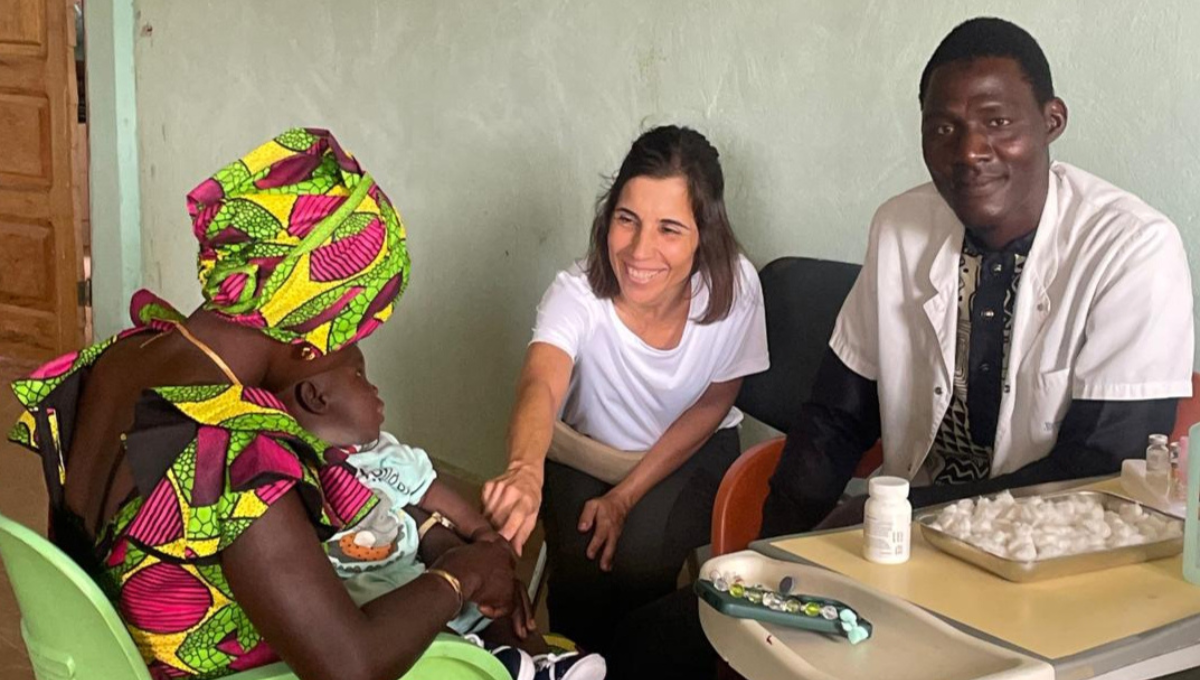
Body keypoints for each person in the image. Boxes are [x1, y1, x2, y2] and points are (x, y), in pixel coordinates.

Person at [9, 128, 517, 680]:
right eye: (348, 336)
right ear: (304, 341)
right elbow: (351, 667)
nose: (351, 352)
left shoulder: (120, 355)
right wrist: (460, 576)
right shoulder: (234, 456)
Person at [762, 17, 1194, 537]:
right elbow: (835, 418)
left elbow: (1099, 473)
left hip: (1053, 558)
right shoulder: (900, 227)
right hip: (900, 546)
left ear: (1051, 121)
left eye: (998, 123)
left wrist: (906, 513)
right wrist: (768, 554)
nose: (969, 152)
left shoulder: (1131, 247)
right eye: (944, 129)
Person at [481, 125, 770, 653]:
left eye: (669, 229)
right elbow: (539, 384)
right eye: (627, 220)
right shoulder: (578, 293)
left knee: (637, 563)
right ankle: (580, 664)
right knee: (585, 567)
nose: (640, 251)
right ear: (608, 216)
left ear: (704, 233)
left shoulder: (736, 286)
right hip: (588, 452)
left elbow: (716, 399)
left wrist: (625, 496)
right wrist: (524, 471)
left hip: (691, 451)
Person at [275, 343, 607, 680]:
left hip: (414, 570)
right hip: (364, 599)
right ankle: (484, 659)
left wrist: (486, 540)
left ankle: (539, 666)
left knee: (494, 609)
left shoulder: (384, 454)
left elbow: (433, 495)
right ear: (316, 397)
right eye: (359, 376)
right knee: (426, 635)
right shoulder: (288, 474)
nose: (374, 387)